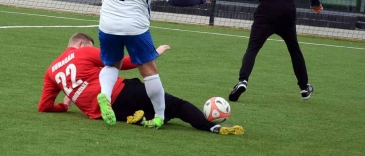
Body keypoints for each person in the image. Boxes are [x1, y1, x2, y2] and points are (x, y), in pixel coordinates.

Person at [95, 0, 212, 128]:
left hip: (108, 24)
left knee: (112, 64)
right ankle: (159, 115)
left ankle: (104, 95)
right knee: (149, 69)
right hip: (135, 27)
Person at [38, 33, 244, 135]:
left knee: (158, 112)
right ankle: (212, 127)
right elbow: (122, 63)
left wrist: (64, 105)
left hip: (101, 114)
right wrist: (153, 54)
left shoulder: (51, 71)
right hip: (120, 93)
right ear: (82, 44)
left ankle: (142, 117)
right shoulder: (83, 51)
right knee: (175, 105)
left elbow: (44, 107)